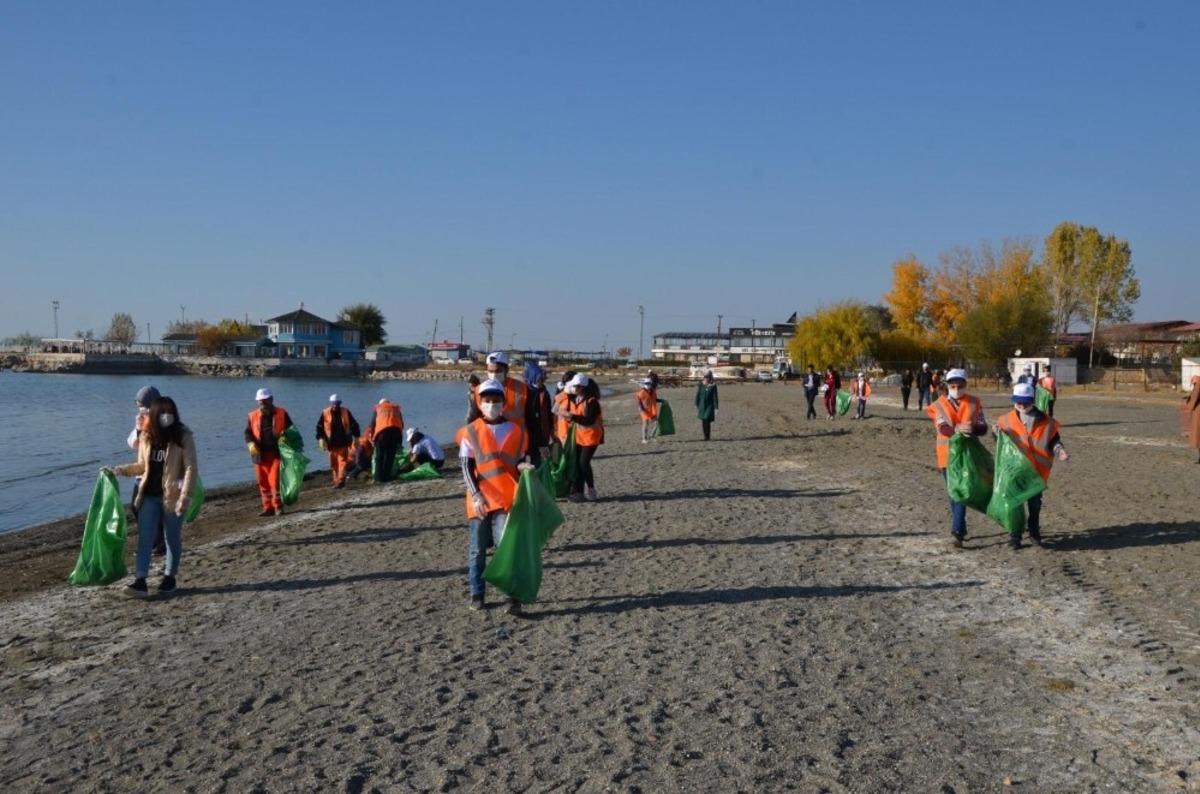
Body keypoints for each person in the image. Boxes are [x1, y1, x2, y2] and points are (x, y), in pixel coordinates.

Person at [106, 396, 198, 597]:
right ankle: (140, 581)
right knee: (145, 538)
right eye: (163, 412)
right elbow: (142, 466)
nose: (167, 416)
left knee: (171, 537)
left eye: (170, 412)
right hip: (148, 495)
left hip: (173, 497)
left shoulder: (183, 435)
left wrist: (186, 495)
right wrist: (120, 470)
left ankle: (169, 577)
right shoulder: (147, 436)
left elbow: (191, 467)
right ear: (155, 414)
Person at [458, 378, 532, 614]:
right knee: (477, 550)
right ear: (480, 403)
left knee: (505, 547)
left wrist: (524, 467)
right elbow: (466, 466)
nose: (491, 404)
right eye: (487, 400)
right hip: (480, 499)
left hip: (506, 498)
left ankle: (511, 596)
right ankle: (477, 594)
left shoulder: (516, 431)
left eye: (496, 400)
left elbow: (518, 460)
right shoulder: (471, 431)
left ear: (503, 403)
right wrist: (476, 494)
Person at [994, 383, 1069, 550]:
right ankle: (1015, 536)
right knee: (1014, 504)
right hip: (1014, 471)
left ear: (1032, 401)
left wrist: (1060, 451)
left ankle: (1034, 531)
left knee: (1034, 505)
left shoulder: (1047, 422)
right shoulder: (1005, 420)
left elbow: (1054, 441)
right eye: (1018, 402)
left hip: (1036, 472)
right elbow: (1001, 444)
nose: (1021, 405)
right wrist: (995, 433)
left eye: (1025, 402)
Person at [925, 368, 988, 548]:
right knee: (953, 492)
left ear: (965, 385)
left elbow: (982, 427)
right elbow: (942, 428)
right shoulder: (938, 405)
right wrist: (958, 429)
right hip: (946, 454)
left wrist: (973, 429)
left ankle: (957, 532)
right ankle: (961, 527)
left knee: (961, 489)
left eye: (960, 386)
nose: (956, 389)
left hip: (968, 454)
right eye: (953, 386)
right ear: (947, 385)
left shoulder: (974, 402)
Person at [468, 352, 543, 463]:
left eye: (497, 371)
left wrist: (538, 446)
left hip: (517, 445)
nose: (493, 374)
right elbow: (473, 419)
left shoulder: (523, 389)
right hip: (488, 445)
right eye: (490, 371)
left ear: (506, 370)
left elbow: (532, 421)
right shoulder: (479, 390)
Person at [127, 385, 165, 555]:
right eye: (138, 406)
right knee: (136, 507)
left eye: (142, 406)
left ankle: (156, 543)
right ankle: (156, 541)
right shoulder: (143, 420)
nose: (140, 409)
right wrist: (138, 428)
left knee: (148, 509)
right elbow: (133, 444)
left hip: (155, 474)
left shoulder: (163, 421)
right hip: (141, 473)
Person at [244, 388, 294, 516]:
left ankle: (278, 506)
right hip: (259, 455)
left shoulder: (282, 413)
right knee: (262, 482)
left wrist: (285, 436)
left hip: (277, 453)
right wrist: (250, 444)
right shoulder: (252, 415)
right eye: (261, 402)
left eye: (265, 401)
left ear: (271, 400)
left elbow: (291, 430)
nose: (263, 404)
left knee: (275, 481)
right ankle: (268, 507)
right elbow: (248, 433)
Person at [567, 374, 604, 501]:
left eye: (575, 386)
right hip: (579, 436)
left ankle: (591, 489)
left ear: (582, 387)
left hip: (591, 437)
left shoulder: (592, 402)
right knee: (577, 463)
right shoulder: (575, 399)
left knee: (583, 463)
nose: (573, 388)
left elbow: (589, 420)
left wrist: (572, 417)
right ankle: (578, 492)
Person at [315, 394, 361, 488]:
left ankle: (340, 481)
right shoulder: (325, 413)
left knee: (342, 462)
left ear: (340, 403)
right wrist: (320, 438)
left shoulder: (346, 412)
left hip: (343, 442)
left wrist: (356, 437)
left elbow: (354, 425)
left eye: (337, 403)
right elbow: (320, 427)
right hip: (331, 444)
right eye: (334, 403)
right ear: (331, 403)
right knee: (333, 464)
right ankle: (336, 481)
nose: (335, 405)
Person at [368, 397, 405, 483]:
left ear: (380, 403)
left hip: (382, 434)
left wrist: (372, 437)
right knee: (390, 456)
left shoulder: (378, 408)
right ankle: (386, 477)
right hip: (395, 434)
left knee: (379, 457)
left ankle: (378, 478)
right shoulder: (396, 409)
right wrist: (400, 439)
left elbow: (373, 423)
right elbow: (401, 423)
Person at [525, 362, 554, 463]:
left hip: (541, 432)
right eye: (539, 379)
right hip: (526, 434)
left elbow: (548, 414)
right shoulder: (524, 392)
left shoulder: (543, 393)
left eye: (543, 379)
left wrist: (551, 429)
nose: (542, 381)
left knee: (542, 461)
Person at [696, 370, 720, 439]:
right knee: (703, 420)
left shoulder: (713, 386)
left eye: (707, 377)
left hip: (709, 405)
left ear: (710, 377)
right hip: (702, 405)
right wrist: (696, 403)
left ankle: (707, 436)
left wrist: (716, 407)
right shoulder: (701, 385)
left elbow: (715, 397)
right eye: (705, 377)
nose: (706, 378)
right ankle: (705, 436)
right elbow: (698, 394)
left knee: (707, 419)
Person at [635, 377, 659, 443]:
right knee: (645, 423)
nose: (648, 385)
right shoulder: (641, 392)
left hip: (652, 410)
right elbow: (639, 402)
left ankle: (652, 436)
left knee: (656, 423)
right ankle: (644, 439)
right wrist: (642, 410)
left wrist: (662, 401)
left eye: (649, 383)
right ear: (644, 384)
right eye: (647, 383)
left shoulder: (653, 391)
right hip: (644, 410)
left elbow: (655, 399)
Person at [1184, 375, 1200, 464]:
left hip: (1198, 412)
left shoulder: (1198, 384)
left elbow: (1195, 396)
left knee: (1198, 435)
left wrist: (1189, 407)